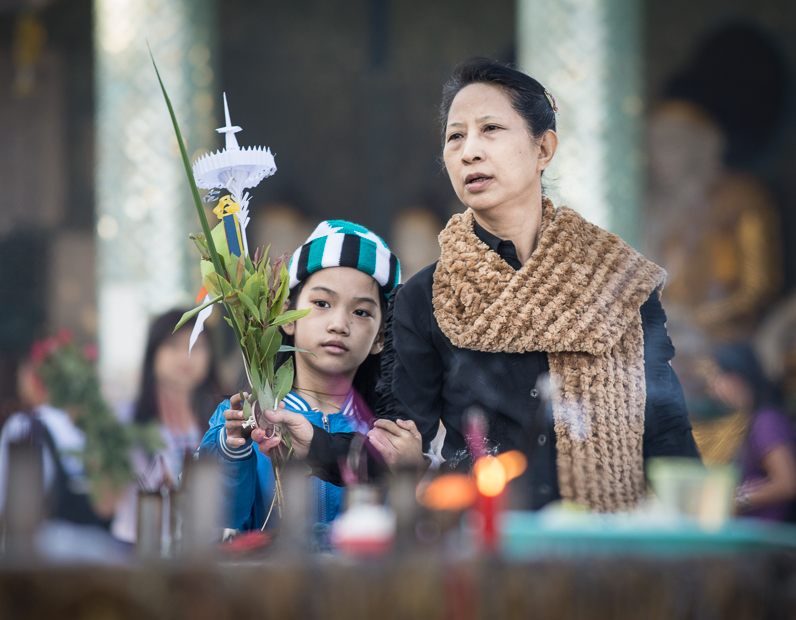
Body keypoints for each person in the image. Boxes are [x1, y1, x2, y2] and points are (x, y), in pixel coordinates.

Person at [256, 57, 700, 513]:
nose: (469, 151)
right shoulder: (425, 300)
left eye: (490, 129)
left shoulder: (620, 284)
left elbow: (666, 431)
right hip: (481, 548)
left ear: (543, 149)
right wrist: (317, 446)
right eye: (455, 136)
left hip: (608, 545)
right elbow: (396, 445)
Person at [199, 220, 420, 543]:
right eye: (321, 304)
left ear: (380, 338)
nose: (339, 324)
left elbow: (411, 541)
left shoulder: (387, 432)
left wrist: (410, 475)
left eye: (361, 312)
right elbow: (214, 521)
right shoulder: (248, 419)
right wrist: (233, 448)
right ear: (286, 316)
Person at [111, 309, 223, 542]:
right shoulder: (123, 421)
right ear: (153, 353)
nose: (186, 356)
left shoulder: (223, 420)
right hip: (135, 548)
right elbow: (104, 503)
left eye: (197, 346)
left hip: (205, 553)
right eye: (173, 345)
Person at [0, 346, 115, 528]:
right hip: (103, 545)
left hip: (49, 545)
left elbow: (1, 501)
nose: (18, 384)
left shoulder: (24, 425)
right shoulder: (99, 427)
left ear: (35, 380)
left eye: (22, 376)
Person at [710, 343, 796, 521]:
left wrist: (737, 500)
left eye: (717, 377)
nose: (714, 386)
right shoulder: (753, 420)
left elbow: (787, 483)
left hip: (769, 540)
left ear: (735, 378)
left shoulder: (767, 422)